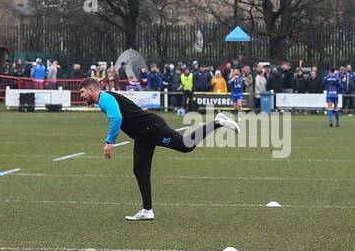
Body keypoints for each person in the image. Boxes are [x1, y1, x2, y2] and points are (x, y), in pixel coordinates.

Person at [80, 75, 239, 221]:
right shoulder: (105, 98)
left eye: (82, 92)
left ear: (92, 89)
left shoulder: (103, 98)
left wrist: (109, 141)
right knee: (139, 170)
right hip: (143, 136)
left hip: (152, 129)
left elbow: (116, 117)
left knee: (186, 145)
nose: (81, 95)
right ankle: (147, 210)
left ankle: (218, 121)